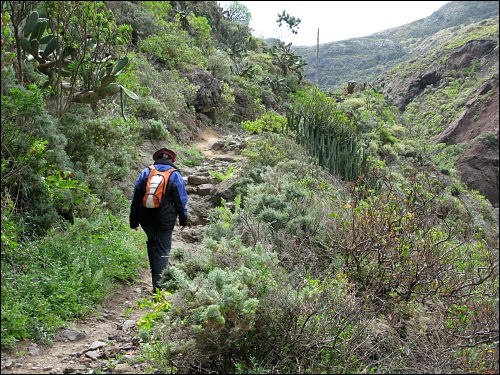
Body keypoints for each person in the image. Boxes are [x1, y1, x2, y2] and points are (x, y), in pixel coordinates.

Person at [130, 148, 188, 294]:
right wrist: (183, 220)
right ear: (171, 161)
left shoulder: (146, 172)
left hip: (146, 218)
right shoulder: (174, 175)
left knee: (152, 244)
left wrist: (134, 220)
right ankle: (159, 288)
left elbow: (136, 197)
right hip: (165, 220)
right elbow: (181, 200)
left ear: (156, 159)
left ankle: (155, 278)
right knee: (163, 250)